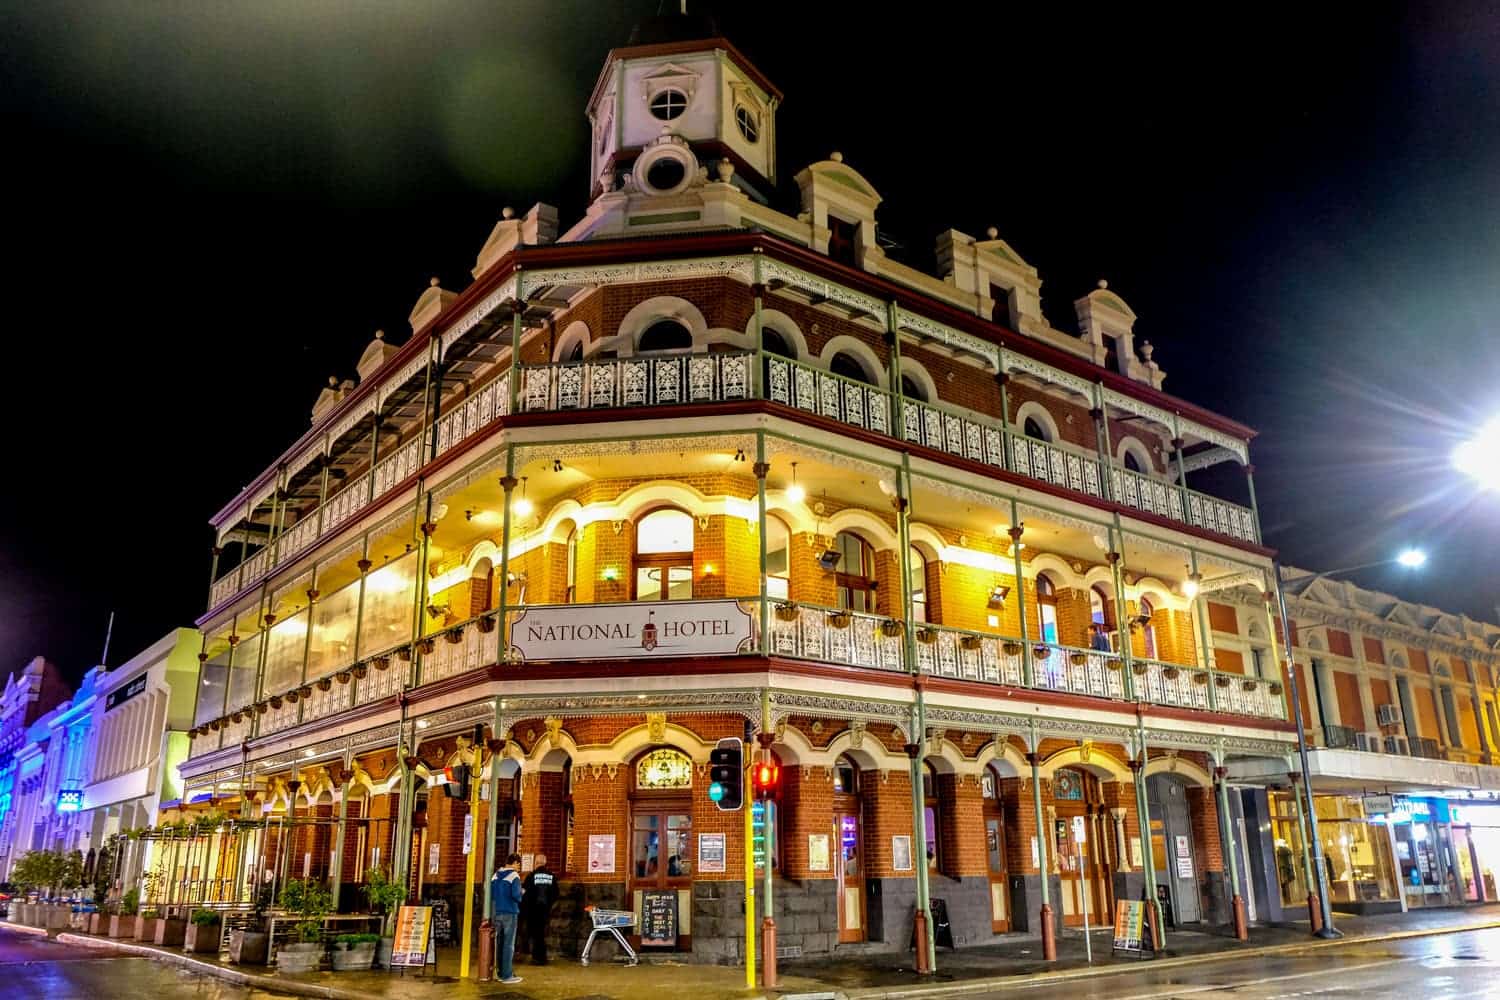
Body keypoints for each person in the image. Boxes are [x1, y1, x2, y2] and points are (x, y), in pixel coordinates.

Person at [489, 852, 524, 984]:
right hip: (510, 912)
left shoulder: (495, 875)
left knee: (499, 943)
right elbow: (516, 895)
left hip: (496, 912)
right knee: (508, 945)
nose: (519, 868)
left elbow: (491, 894)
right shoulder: (514, 876)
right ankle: (507, 975)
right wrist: (522, 893)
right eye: (518, 865)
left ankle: (499, 973)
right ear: (514, 863)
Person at [521, 853, 558, 964]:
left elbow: (525, 892)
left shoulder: (531, 876)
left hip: (532, 910)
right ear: (545, 863)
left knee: (535, 934)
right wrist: (549, 905)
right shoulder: (551, 876)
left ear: (536, 863)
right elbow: (555, 893)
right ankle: (541, 956)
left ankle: (537, 957)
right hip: (545, 910)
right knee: (541, 933)